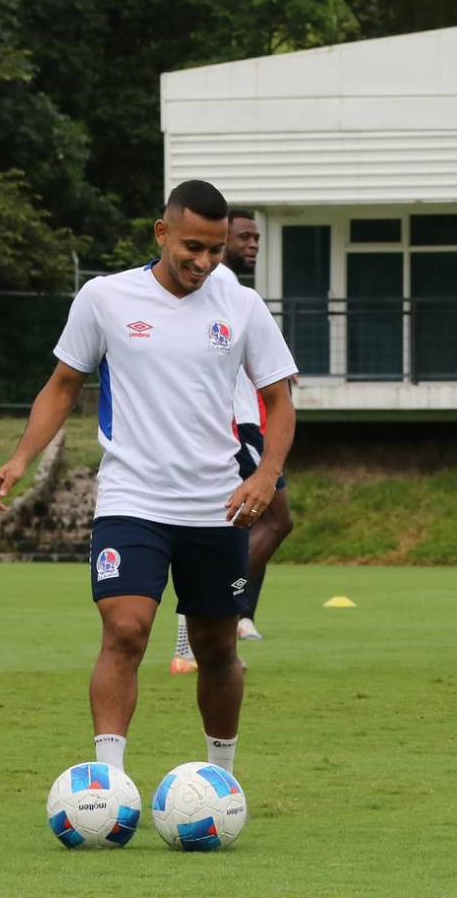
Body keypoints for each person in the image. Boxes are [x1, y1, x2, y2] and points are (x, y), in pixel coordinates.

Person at [0, 180, 298, 773]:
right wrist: (20, 459)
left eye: (215, 249)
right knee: (126, 630)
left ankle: (219, 779)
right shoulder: (105, 298)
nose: (204, 262)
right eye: (193, 248)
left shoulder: (242, 307)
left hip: (216, 505)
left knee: (216, 647)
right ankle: (108, 780)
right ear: (162, 233)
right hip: (133, 499)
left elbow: (279, 401)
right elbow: (63, 385)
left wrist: (266, 476)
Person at [172, 209, 292, 673]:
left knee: (245, 525)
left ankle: (223, 613)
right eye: (243, 236)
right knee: (273, 521)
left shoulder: (238, 296)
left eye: (255, 237)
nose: (252, 244)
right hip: (234, 426)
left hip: (247, 422)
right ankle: (211, 615)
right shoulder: (211, 282)